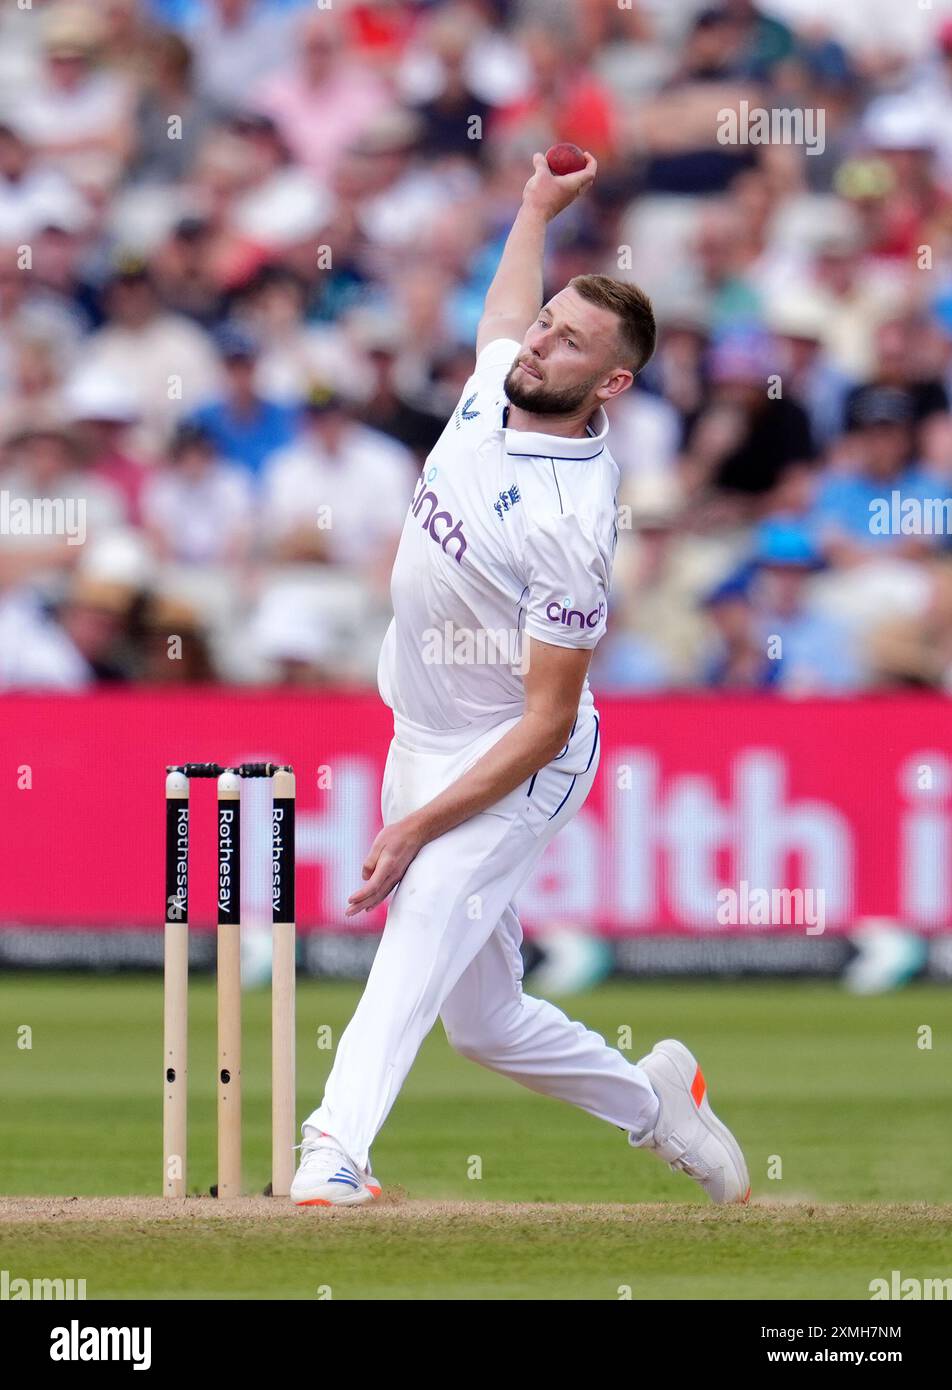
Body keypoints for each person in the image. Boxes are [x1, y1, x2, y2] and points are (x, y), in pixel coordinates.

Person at [290, 152, 750, 1208]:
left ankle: (332, 1156)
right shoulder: (500, 379)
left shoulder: (573, 525)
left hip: (513, 758)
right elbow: (504, 309)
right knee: (485, 1024)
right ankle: (656, 1105)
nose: (539, 342)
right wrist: (538, 206)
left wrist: (412, 831)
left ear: (613, 381)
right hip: (421, 729)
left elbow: (546, 723)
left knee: (424, 916)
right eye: (547, 324)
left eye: (570, 341)